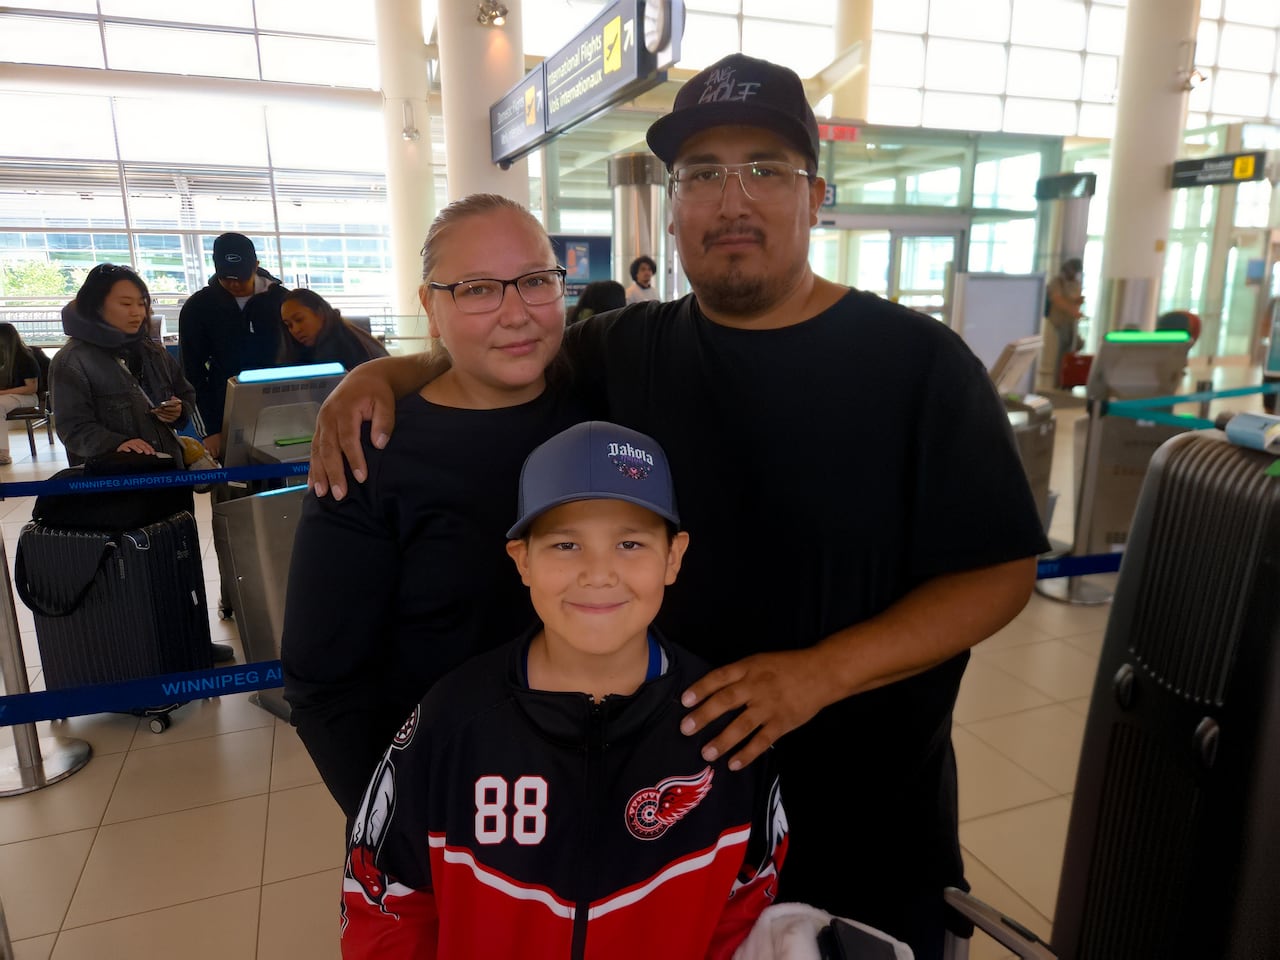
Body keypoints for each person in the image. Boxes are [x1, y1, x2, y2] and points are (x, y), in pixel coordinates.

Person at [309, 54, 1047, 958]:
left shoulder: (919, 364)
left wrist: (818, 675)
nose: (732, 201)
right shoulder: (625, 348)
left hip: (866, 826)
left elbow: (1001, 571)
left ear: (816, 197)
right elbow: (503, 344)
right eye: (702, 174)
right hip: (669, 850)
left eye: (765, 169)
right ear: (672, 206)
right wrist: (379, 374)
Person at [340, 421, 786, 960]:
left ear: (673, 556)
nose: (598, 574)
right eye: (566, 544)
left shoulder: (726, 724)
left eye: (629, 543)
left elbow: (748, 903)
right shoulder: (450, 723)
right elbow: (383, 899)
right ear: (522, 560)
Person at [281, 194, 591, 818]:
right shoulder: (374, 452)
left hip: (600, 779)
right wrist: (398, 830)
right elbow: (325, 686)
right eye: (476, 289)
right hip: (449, 795)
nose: (516, 314)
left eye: (536, 281)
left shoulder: (601, 407)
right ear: (430, 306)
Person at [51, 263, 233, 663]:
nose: (137, 312)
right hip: (119, 486)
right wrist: (117, 443)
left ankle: (192, 642)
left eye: (142, 302)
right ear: (96, 305)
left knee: (181, 559)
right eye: (125, 303)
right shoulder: (71, 360)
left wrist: (177, 409)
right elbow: (73, 427)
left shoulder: (151, 351)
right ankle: (144, 651)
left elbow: (185, 394)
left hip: (168, 475)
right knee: (132, 568)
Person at [178, 232, 286, 460]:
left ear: (256, 265)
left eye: (241, 277)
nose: (234, 284)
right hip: (227, 414)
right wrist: (209, 430)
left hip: (281, 408)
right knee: (236, 478)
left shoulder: (282, 300)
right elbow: (191, 372)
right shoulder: (198, 307)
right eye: (227, 278)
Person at [277, 288, 389, 369]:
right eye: (289, 325)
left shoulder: (343, 346)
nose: (295, 330)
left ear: (320, 313)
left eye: (299, 319)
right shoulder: (342, 330)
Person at [0, 322, 41, 465]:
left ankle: (2, 453)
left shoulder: (24, 358)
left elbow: (31, 388)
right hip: (6, 396)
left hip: (27, 397)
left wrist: (3, 392)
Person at [1046, 257, 1085, 387]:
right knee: (1063, 350)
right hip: (1060, 321)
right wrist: (1072, 310)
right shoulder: (1057, 282)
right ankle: (1059, 380)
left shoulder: (1076, 283)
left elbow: (1073, 300)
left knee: (1075, 345)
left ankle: (1068, 379)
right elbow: (1057, 300)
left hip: (1071, 321)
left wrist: (1077, 303)